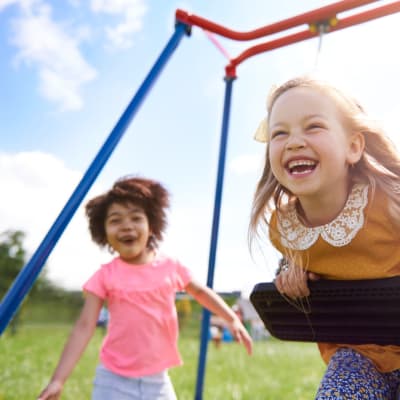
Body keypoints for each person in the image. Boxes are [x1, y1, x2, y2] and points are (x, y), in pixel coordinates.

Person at [249, 75, 400, 399]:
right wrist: (291, 279)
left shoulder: (390, 204)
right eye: (280, 133)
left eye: (313, 126)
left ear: (354, 146)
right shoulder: (284, 228)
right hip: (356, 354)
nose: (294, 142)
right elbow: (302, 263)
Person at [38, 176, 252, 400]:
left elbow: (200, 292)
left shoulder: (170, 267)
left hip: (157, 381)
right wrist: (58, 380)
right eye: (115, 220)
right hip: (112, 380)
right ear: (104, 232)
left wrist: (231, 318)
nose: (127, 226)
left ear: (151, 226)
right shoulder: (104, 276)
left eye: (136, 218)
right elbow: (84, 326)